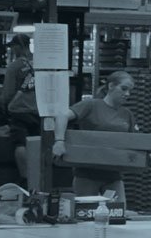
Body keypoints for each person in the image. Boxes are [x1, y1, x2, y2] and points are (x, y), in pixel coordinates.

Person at [52, 71, 138, 203]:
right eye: (124, 89)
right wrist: (59, 141)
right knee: (85, 215)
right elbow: (62, 116)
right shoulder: (91, 105)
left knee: (118, 213)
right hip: (86, 175)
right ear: (111, 86)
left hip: (113, 175)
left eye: (130, 91)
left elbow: (135, 142)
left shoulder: (127, 114)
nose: (127, 94)